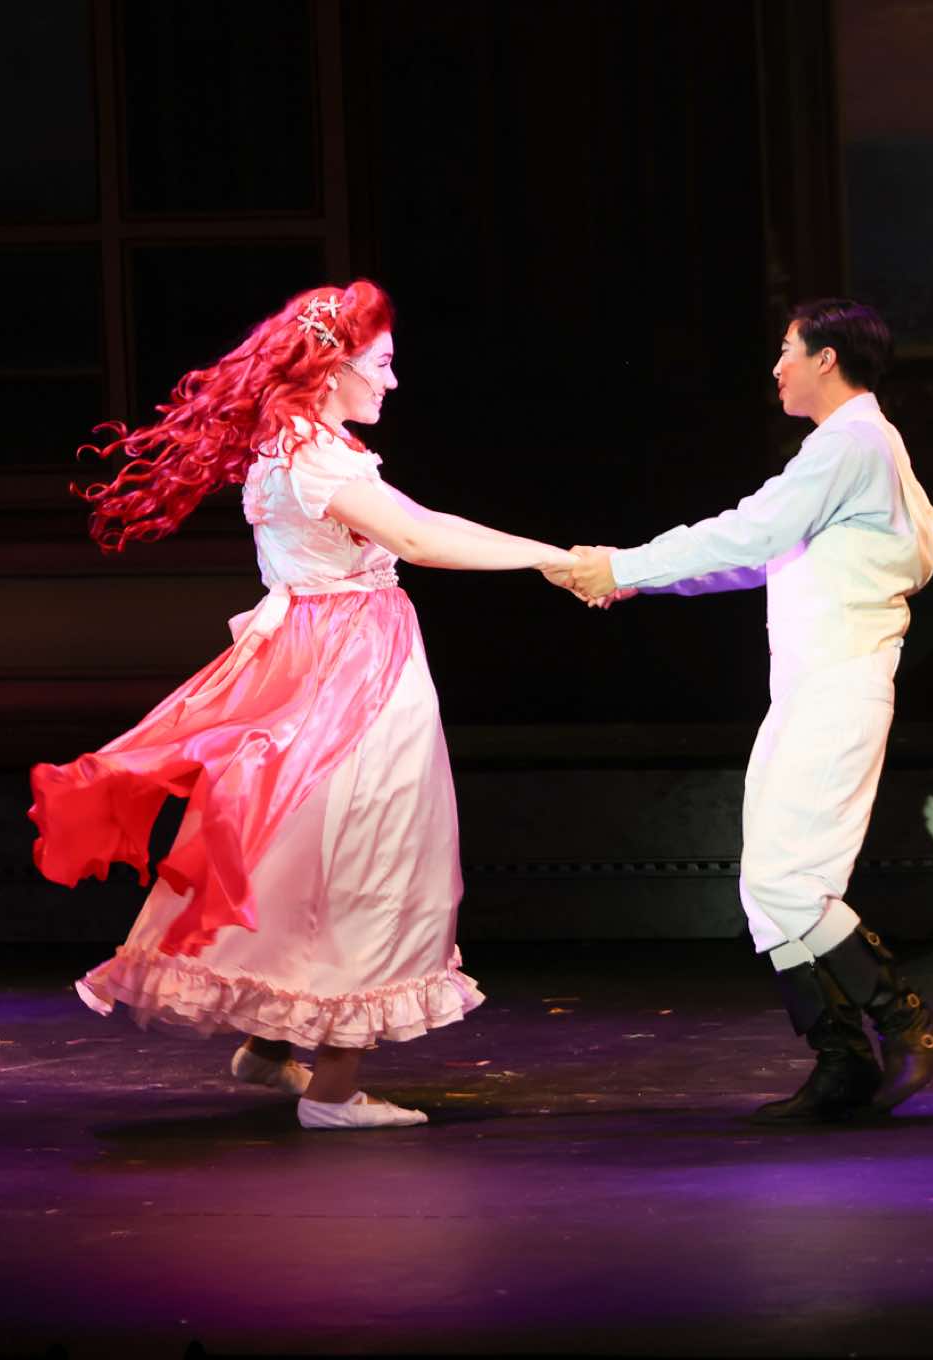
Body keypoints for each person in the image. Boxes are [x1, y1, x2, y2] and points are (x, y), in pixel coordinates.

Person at [31, 281, 577, 1130]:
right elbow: (420, 538)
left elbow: (418, 519)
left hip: (320, 660)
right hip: (353, 670)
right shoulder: (318, 459)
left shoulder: (295, 447)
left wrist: (547, 554)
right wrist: (555, 560)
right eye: (380, 365)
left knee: (299, 852)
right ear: (331, 370)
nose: (391, 381)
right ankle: (333, 1092)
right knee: (371, 857)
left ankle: (271, 1045)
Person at [552, 299, 933, 1123]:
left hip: (840, 682)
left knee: (788, 880)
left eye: (786, 350)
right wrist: (630, 578)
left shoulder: (851, 442)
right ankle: (843, 1063)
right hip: (812, 686)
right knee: (765, 888)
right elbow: (755, 557)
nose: (776, 367)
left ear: (826, 357)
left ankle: (910, 1024)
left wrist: (623, 564)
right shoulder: (852, 448)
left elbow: (747, 532)